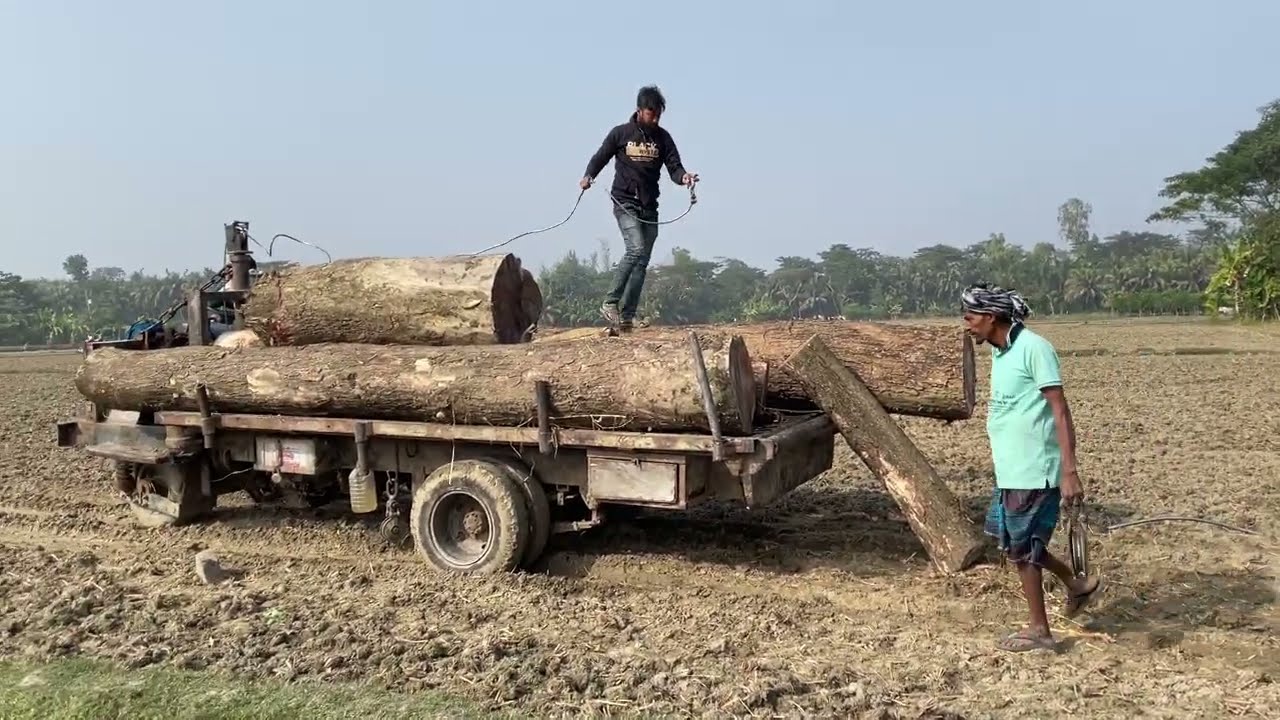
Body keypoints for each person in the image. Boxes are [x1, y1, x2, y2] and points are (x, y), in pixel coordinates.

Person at [961, 283, 1100, 653]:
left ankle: (1040, 630)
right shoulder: (1000, 352)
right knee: (1016, 545)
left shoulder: (1035, 349)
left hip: (1036, 468)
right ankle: (1075, 582)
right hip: (1011, 468)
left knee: (1023, 550)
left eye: (971, 318)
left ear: (991, 318)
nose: (967, 325)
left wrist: (1069, 471)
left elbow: (1060, 409)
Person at [580, 85, 698, 332]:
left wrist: (684, 177)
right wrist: (588, 176)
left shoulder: (663, 138)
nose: (654, 119)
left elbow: (674, 167)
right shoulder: (620, 134)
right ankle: (610, 302)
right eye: (651, 113)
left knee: (642, 261)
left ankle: (627, 317)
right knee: (635, 249)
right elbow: (600, 157)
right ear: (639, 110)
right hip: (625, 202)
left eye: (658, 115)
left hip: (649, 206)